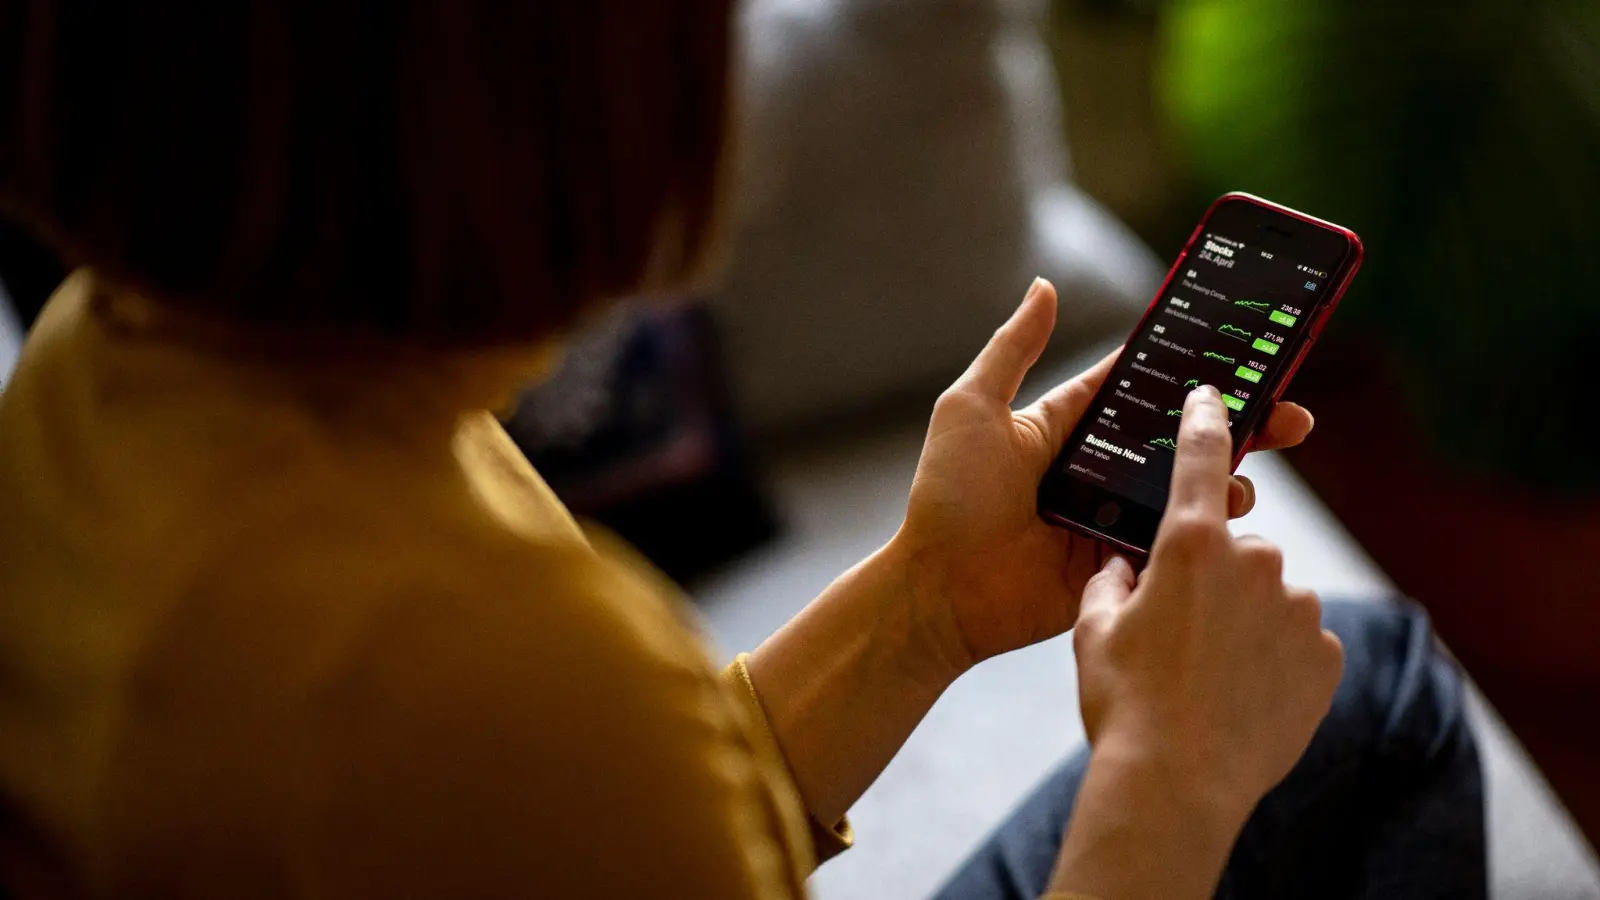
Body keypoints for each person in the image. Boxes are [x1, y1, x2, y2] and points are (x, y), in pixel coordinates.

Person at [0, 2, 1483, 898]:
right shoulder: (470, 666)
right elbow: (568, 767)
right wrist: (1167, 785)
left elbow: (585, 836)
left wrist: (930, 604)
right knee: (1390, 696)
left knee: (1368, 683)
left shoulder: (102, 362)